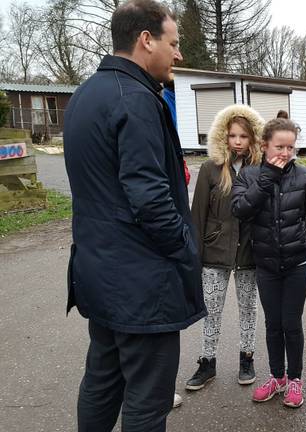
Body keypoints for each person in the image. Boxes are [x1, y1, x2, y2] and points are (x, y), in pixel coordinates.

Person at [63, 1, 205, 431]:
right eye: (173, 43)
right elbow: (150, 197)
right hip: (142, 287)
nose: (178, 54)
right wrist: (185, 249)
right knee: (147, 400)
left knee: (101, 384)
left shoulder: (85, 95)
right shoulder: (137, 99)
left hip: (98, 275)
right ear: (146, 40)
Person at [231, 118, 306, 408]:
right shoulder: (250, 176)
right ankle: (277, 377)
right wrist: (267, 178)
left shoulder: (304, 176)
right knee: (273, 323)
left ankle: (295, 379)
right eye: (279, 146)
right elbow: (240, 209)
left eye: (290, 146)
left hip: (297, 263)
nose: (285, 152)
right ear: (264, 146)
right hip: (266, 265)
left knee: (291, 323)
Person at [185, 105, 265, 391]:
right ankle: (207, 362)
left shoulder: (261, 169)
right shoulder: (210, 169)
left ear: (253, 137)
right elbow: (197, 216)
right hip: (214, 252)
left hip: (249, 253)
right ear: (224, 137)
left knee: (248, 308)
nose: (238, 141)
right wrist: (194, 256)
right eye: (233, 135)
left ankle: (247, 358)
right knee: (212, 309)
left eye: (244, 135)